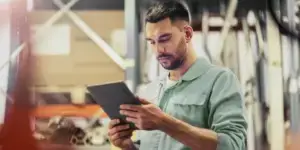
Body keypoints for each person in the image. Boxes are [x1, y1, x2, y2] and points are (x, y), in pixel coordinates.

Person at [108, 0, 247, 150]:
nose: (158, 50)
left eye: (164, 39)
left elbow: (232, 145)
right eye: (152, 42)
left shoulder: (220, 81)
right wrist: (127, 145)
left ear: (187, 34)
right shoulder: (149, 90)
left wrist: (164, 123)